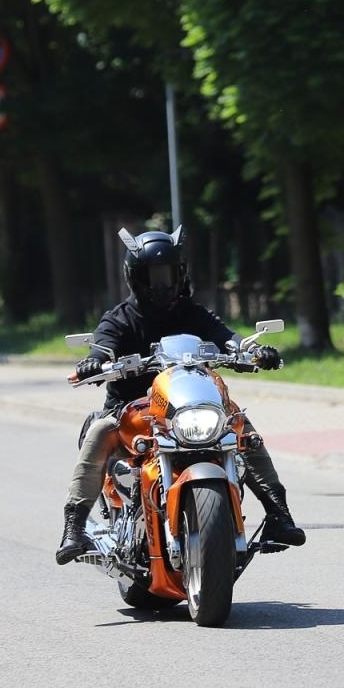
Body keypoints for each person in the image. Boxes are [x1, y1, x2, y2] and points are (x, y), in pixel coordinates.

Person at [56, 226, 305, 565]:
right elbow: (103, 345)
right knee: (100, 432)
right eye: (154, 276)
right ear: (136, 277)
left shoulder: (193, 313)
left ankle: (279, 515)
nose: (163, 284)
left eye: (169, 274)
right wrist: (95, 361)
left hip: (190, 405)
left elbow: (226, 337)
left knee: (243, 429)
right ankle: (74, 526)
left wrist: (252, 352)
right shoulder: (120, 318)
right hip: (135, 408)